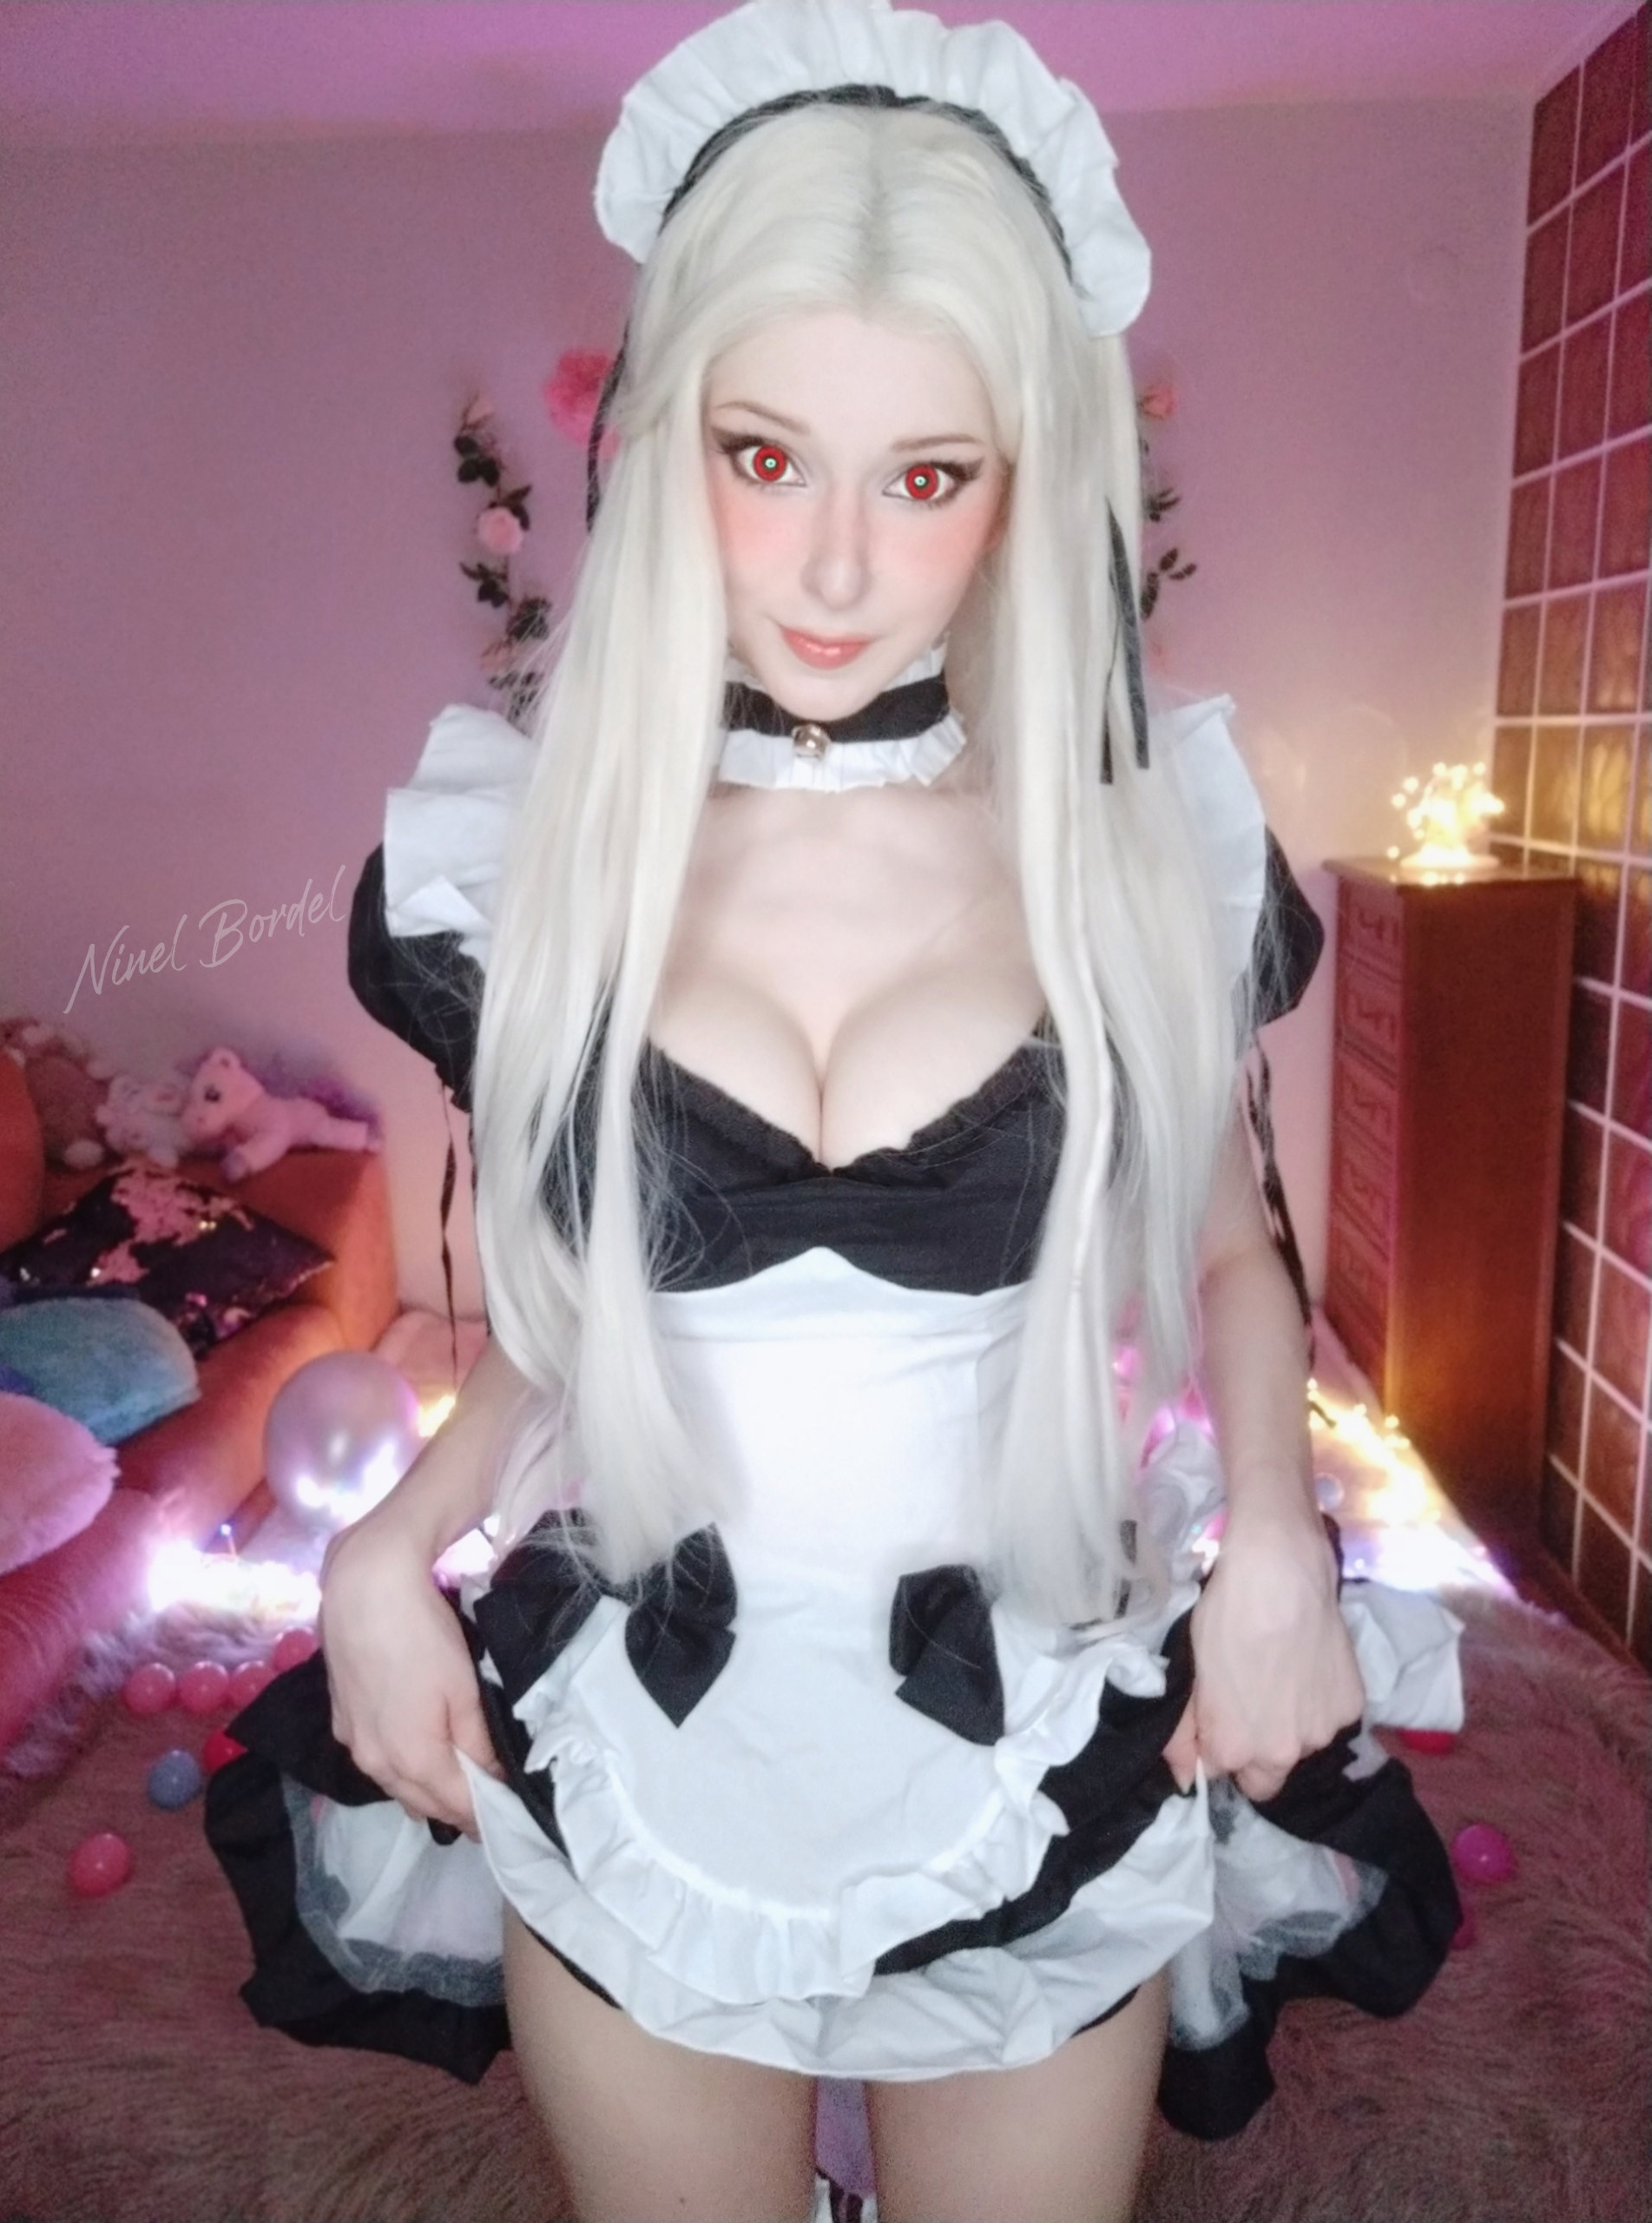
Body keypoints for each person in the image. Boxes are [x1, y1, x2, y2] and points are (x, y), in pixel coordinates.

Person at [206, 6, 1465, 2219]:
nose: (840, 568)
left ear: (1024, 482)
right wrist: (391, 1536)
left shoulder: (1128, 845)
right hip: (648, 1729)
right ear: (669, 436)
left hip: (1026, 1719)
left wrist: (1274, 1530)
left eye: (930, 475)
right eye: (769, 456)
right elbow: (573, 1323)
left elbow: (1230, 1242)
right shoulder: (537, 863)